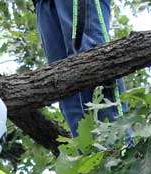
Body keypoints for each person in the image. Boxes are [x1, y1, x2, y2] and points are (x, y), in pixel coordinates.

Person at [34, 0, 126, 136]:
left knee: (94, 62)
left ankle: (120, 149)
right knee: (61, 82)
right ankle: (89, 153)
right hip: (42, 4)